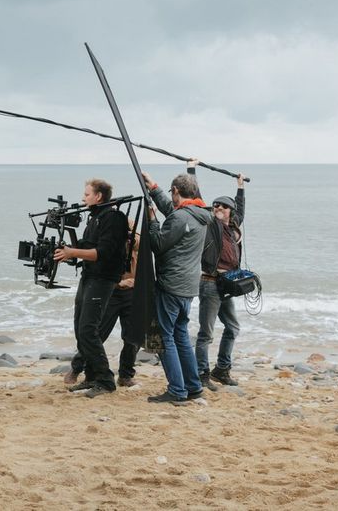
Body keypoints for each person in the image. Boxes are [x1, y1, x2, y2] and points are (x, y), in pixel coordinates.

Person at [141, 168, 212, 404]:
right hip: (189, 287)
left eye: (171, 193)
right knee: (180, 335)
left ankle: (177, 390)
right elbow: (173, 213)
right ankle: (193, 387)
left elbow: (158, 244)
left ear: (176, 191)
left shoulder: (182, 217)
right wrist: (154, 188)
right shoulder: (198, 214)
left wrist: (152, 221)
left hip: (172, 285)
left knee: (165, 337)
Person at [54, 179, 128, 398]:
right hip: (89, 276)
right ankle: (91, 377)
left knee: (88, 329)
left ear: (99, 196)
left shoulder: (114, 218)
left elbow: (102, 253)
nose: (83, 198)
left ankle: (105, 380)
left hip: (103, 279)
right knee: (80, 328)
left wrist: (72, 252)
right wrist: (66, 253)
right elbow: (87, 249)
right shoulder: (95, 218)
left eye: (86, 194)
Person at [187, 160, 246, 389]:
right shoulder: (210, 224)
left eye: (223, 207)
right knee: (206, 334)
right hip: (210, 283)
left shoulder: (234, 226)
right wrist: (191, 170)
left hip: (227, 285)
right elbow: (197, 198)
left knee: (232, 328)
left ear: (230, 212)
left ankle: (222, 369)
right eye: (216, 206)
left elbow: (241, 208)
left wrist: (240, 186)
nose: (218, 209)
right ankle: (202, 374)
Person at [64, 219, 141, 387]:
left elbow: (138, 242)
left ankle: (126, 374)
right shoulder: (101, 232)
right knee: (96, 333)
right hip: (110, 290)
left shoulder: (125, 224)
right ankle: (79, 368)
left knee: (133, 337)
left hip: (132, 290)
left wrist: (128, 235)